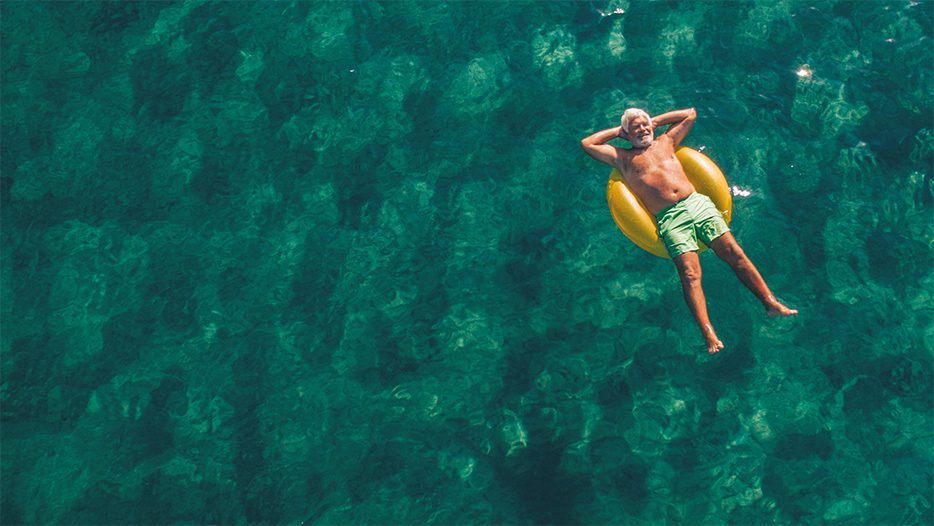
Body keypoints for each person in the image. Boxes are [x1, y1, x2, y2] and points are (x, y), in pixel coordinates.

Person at [581, 107, 797, 354]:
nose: (642, 129)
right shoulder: (622, 158)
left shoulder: (666, 141)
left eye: (645, 125)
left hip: (697, 203)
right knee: (690, 274)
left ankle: (770, 303)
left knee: (734, 253)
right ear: (626, 135)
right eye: (635, 128)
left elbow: (690, 114)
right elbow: (587, 143)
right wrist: (620, 131)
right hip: (670, 218)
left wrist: (653, 122)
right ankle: (708, 332)